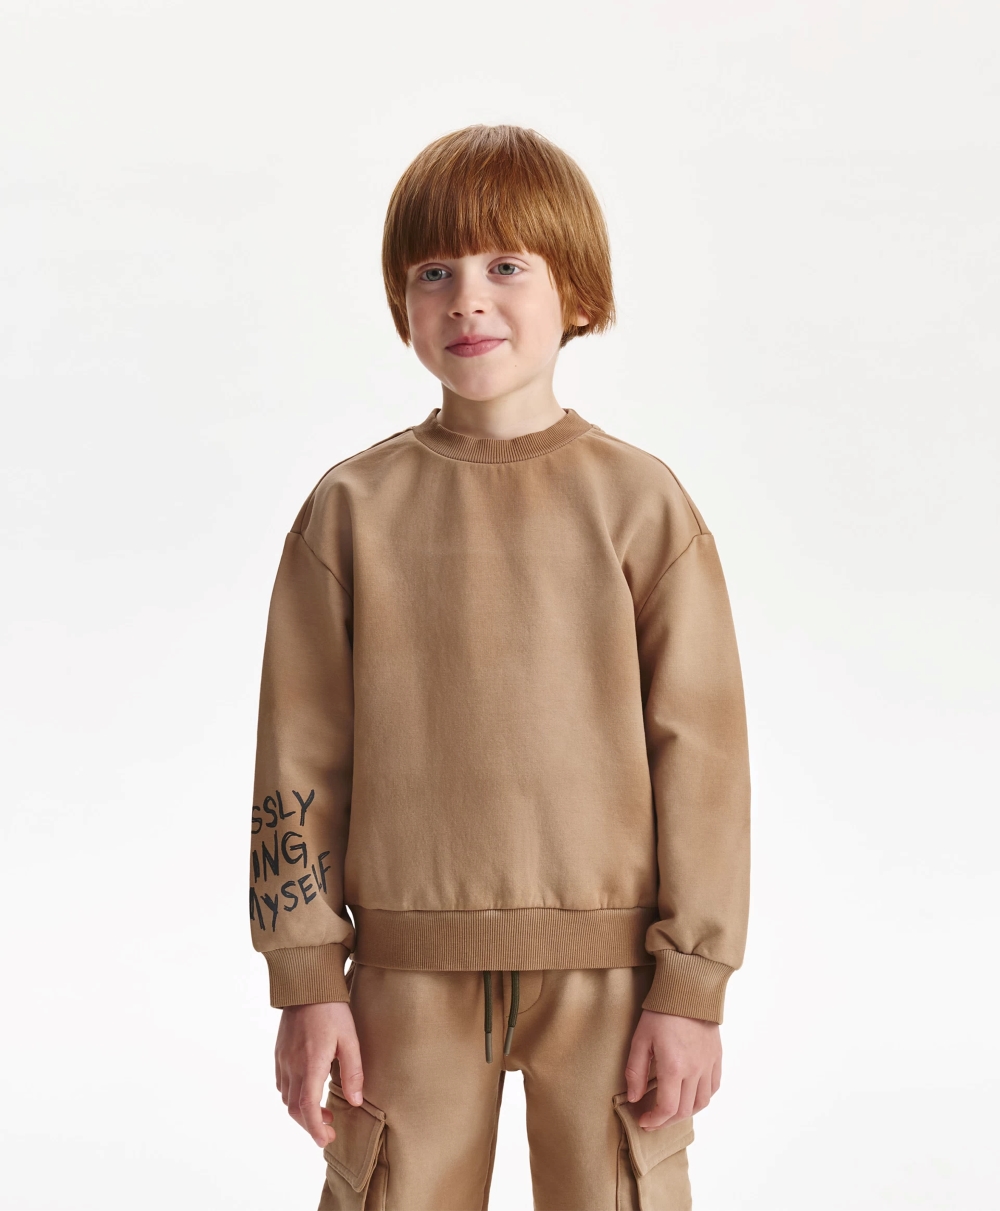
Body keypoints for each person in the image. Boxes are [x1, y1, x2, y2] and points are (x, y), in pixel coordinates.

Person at [249, 123, 750, 1211]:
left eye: (506, 266)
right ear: (403, 303)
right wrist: (305, 975)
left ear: (577, 291)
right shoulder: (350, 510)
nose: (468, 299)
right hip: (402, 973)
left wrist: (691, 985)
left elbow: (702, 759)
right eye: (435, 272)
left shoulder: (641, 504)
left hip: (614, 973)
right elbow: (299, 756)